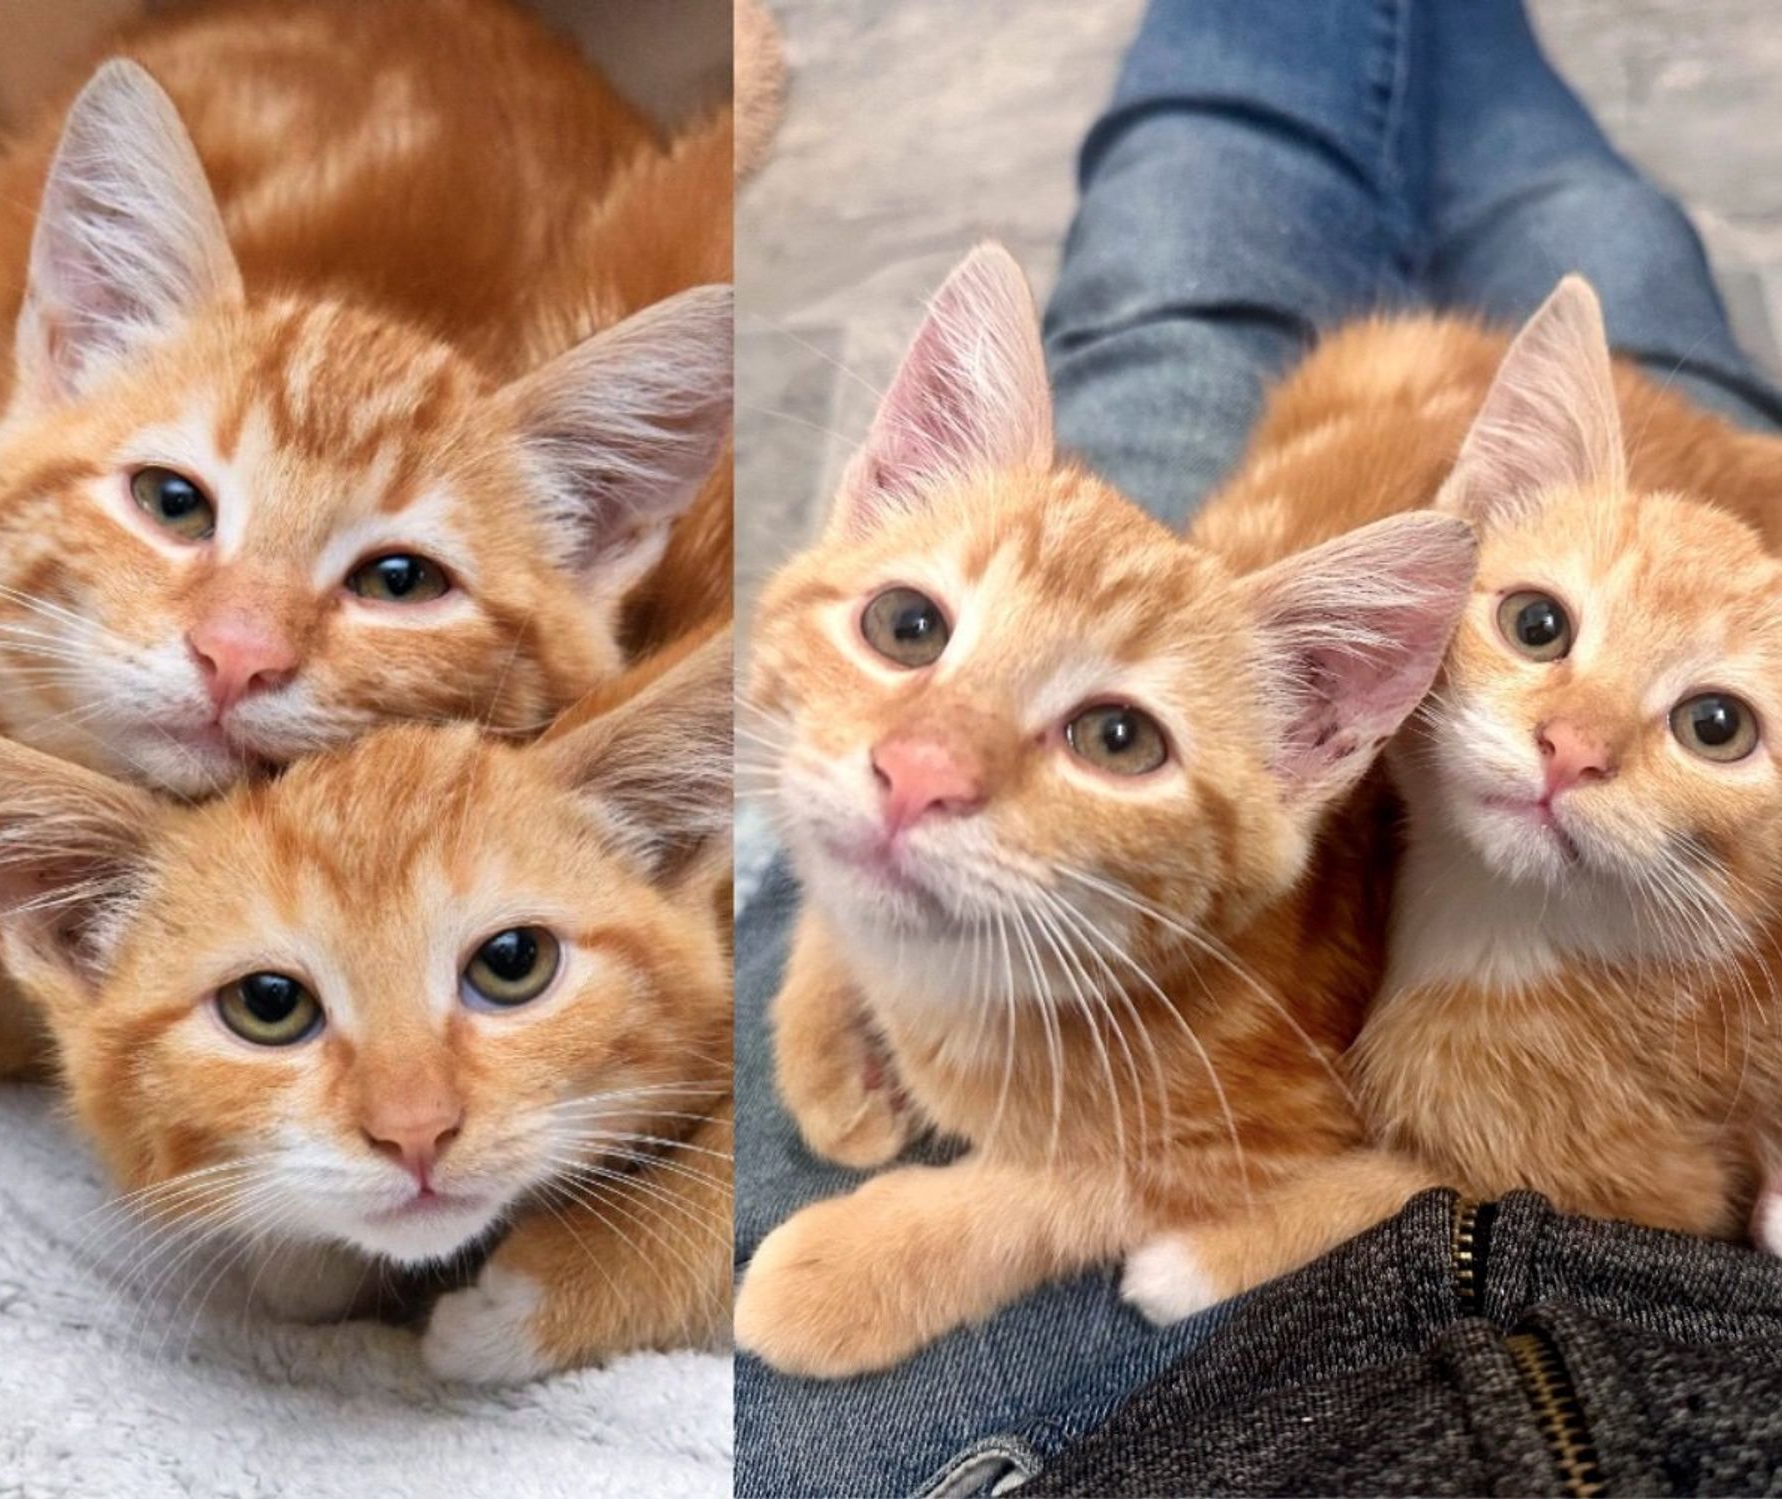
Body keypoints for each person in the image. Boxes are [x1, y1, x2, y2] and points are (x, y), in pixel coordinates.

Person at [734, 3, 1782, 1494]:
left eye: (1109, 735)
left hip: (1142, 1399)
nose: (923, 765)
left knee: (1187, 273)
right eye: (908, 632)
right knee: (1590, 241)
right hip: (1483, 508)